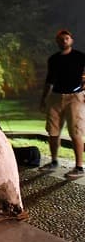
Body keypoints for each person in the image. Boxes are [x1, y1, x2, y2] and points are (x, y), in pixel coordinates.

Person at [39, 29, 85, 179]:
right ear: (57, 42)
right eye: (61, 39)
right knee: (52, 131)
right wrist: (43, 99)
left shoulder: (80, 57)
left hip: (75, 97)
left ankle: (79, 167)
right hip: (56, 97)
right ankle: (53, 162)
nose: (64, 41)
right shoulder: (53, 59)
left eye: (66, 38)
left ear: (71, 40)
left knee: (75, 132)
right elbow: (49, 80)